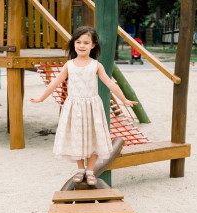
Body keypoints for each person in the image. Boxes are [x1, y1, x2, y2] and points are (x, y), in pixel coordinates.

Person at [30, 26, 137, 186]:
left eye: (86, 42)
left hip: (92, 107)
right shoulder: (69, 65)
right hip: (74, 108)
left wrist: (124, 99)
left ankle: (90, 170)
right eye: (78, 42)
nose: (81, 45)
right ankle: (80, 169)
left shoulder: (96, 65)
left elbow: (110, 83)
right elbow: (55, 83)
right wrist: (41, 98)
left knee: (93, 137)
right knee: (77, 137)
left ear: (93, 45)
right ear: (73, 44)